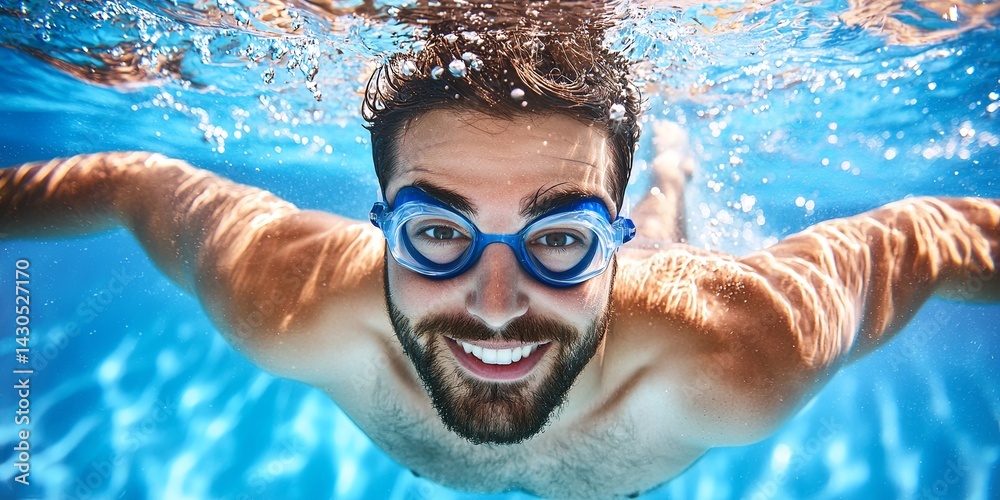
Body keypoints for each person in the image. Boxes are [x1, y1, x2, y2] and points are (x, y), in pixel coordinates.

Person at [2, 28, 998, 499]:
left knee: (670, 231)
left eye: (560, 236)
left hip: (657, 284)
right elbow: (134, 180)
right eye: (436, 231)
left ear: (603, 241)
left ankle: (668, 183)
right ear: (380, 220)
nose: (492, 307)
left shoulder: (740, 347)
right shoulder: (288, 297)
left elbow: (923, 236)